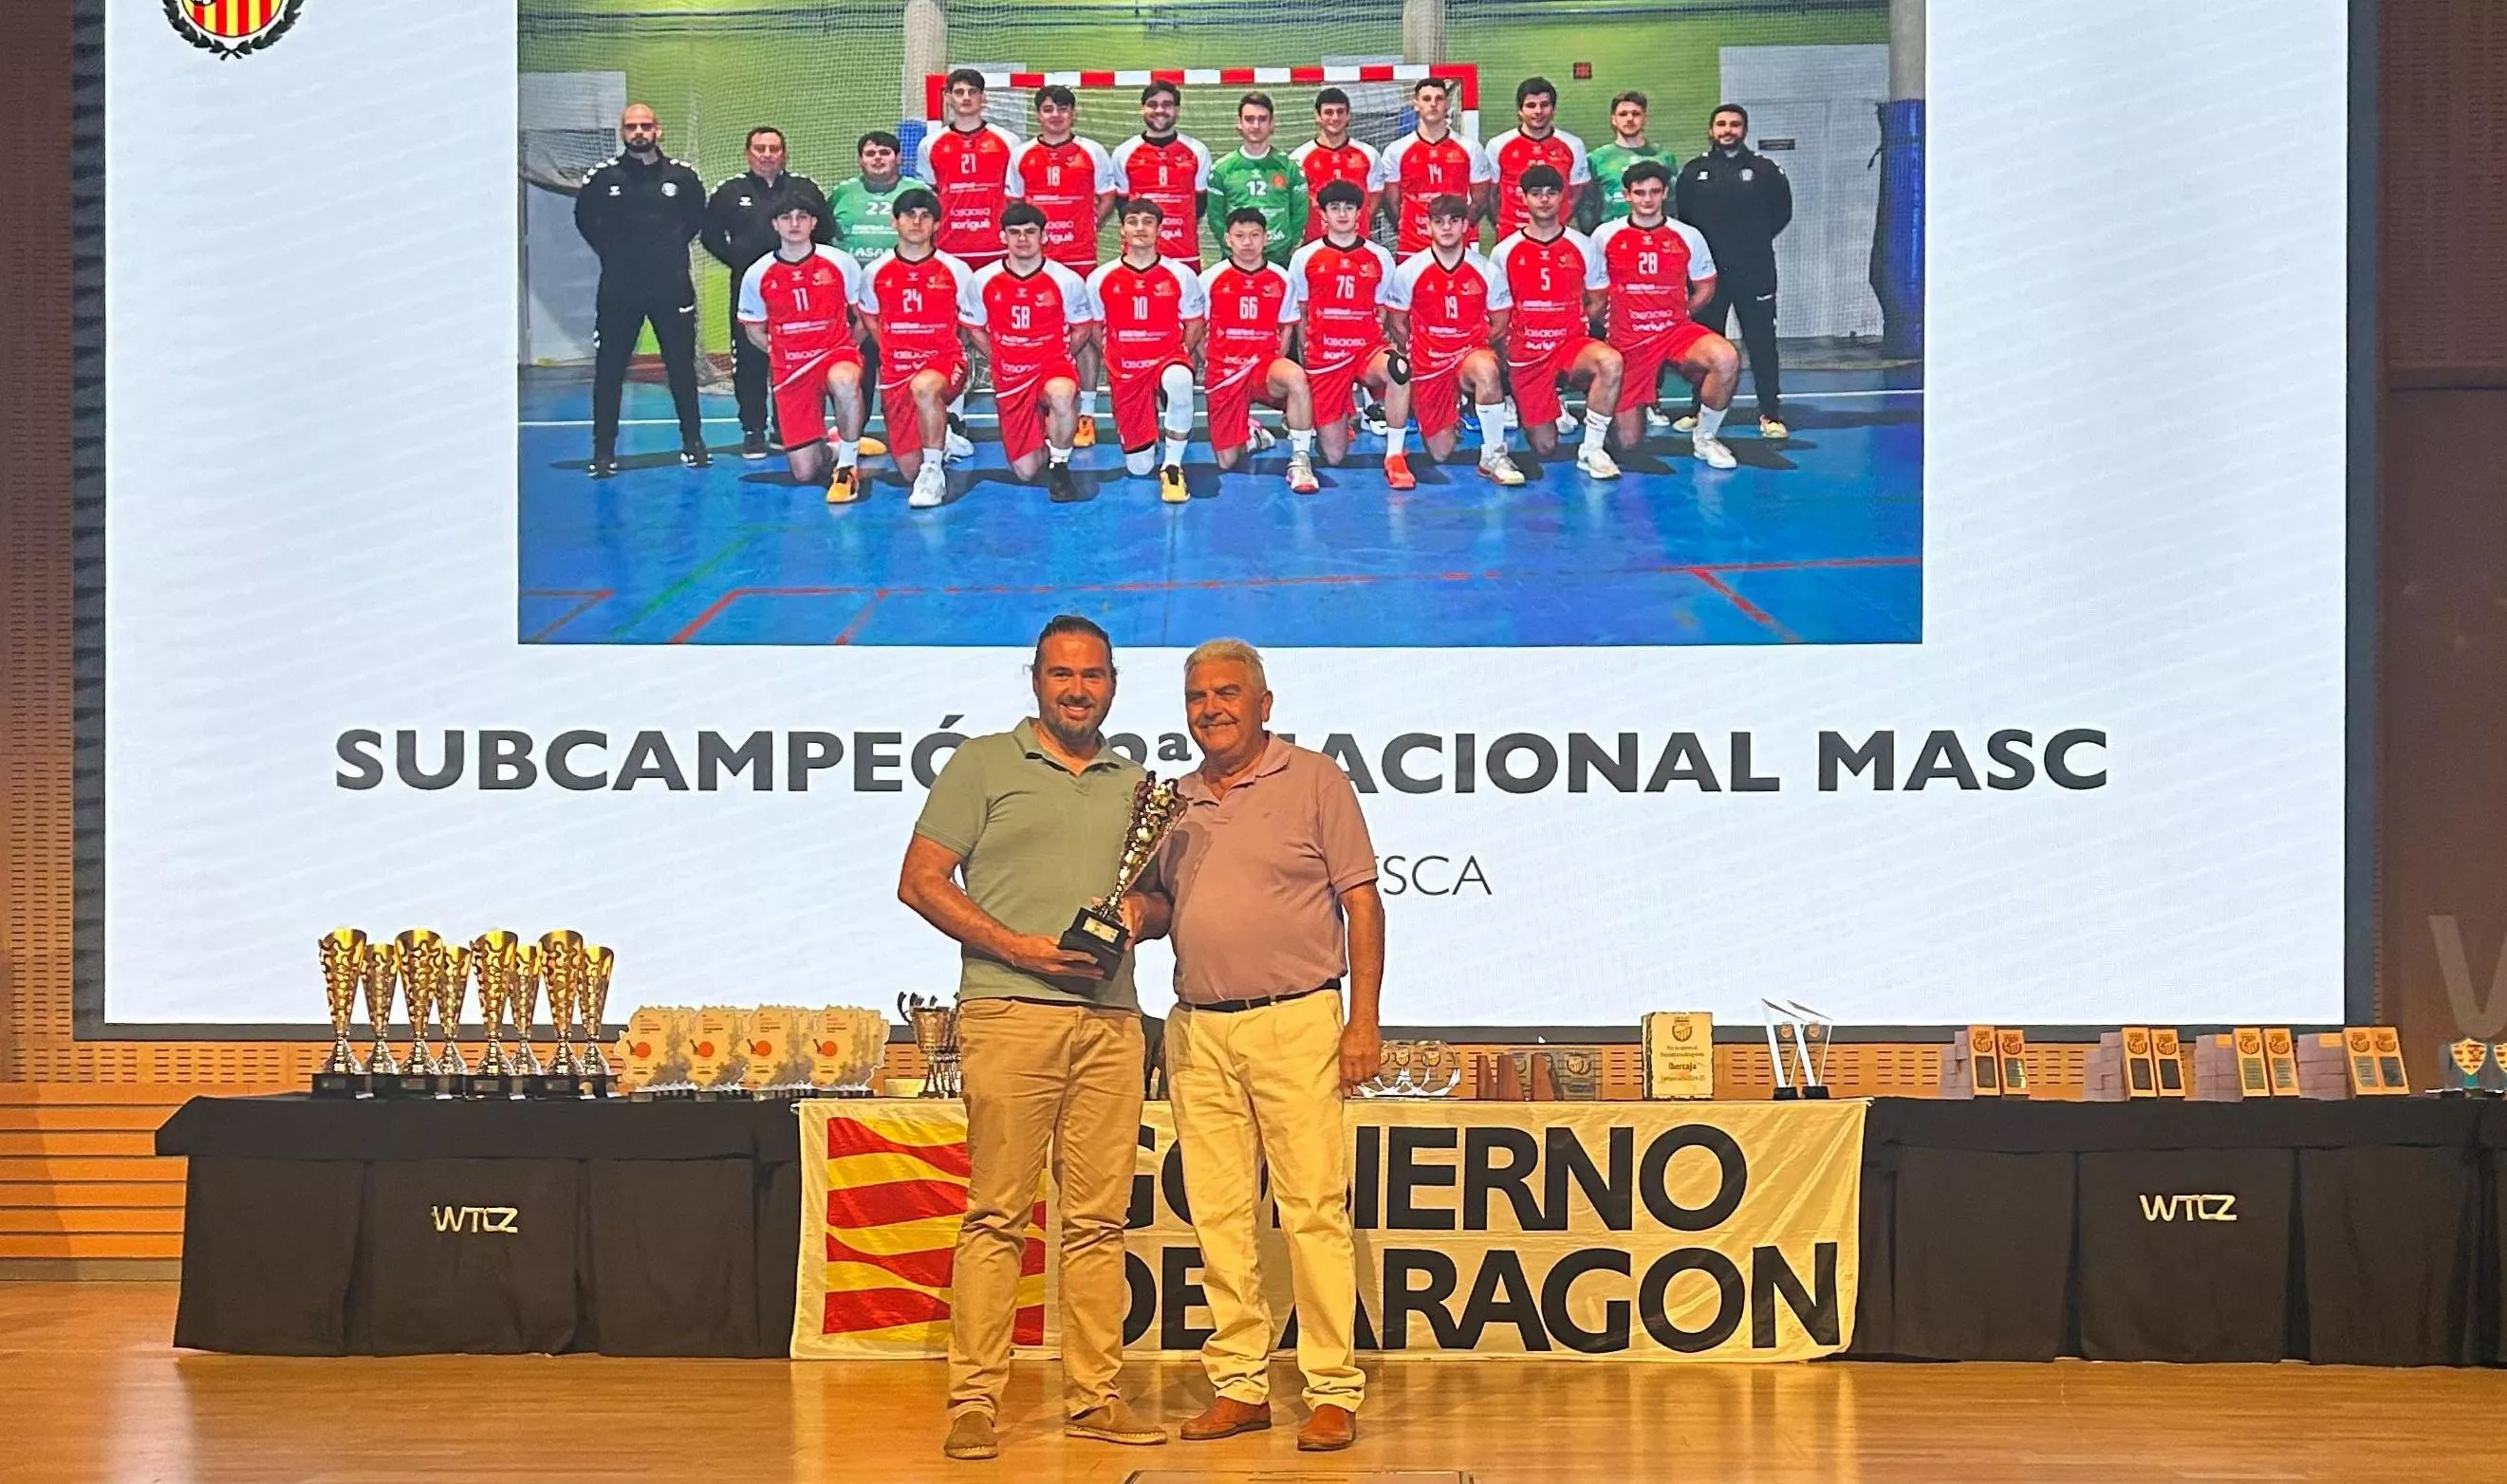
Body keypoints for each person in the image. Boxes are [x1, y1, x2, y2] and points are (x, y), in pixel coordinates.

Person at [899, 615, 1170, 1463]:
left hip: (1112, 1021)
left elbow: (1161, 904)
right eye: (1062, 675)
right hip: (1009, 1012)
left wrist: (1138, 914)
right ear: (1036, 681)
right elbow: (920, 882)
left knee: (1097, 1221)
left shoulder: (1138, 785)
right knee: (997, 1216)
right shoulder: (981, 762)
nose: (1077, 690)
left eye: (1092, 676)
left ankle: (1095, 1397)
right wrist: (1016, 946)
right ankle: (975, 1400)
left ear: (1113, 684)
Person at [1124, 638, 1383, 1456]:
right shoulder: (1173, 799)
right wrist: (1131, 918)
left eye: (1229, 694)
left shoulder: (1315, 780)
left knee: (1311, 1209)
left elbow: (1363, 905)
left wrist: (1364, 1020)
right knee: (1220, 1214)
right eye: (1198, 697)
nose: (1212, 709)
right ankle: (1240, 1383)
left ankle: (1333, 1389)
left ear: (1264, 704)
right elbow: (1160, 904)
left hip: (1298, 1018)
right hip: (1196, 1025)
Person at [574, 103, 709, 478]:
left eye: (645, 125)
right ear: (622, 132)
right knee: (610, 372)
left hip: (672, 287)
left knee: (682, 368)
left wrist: (664, 252)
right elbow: (586, 221)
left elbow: (694, 219)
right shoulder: (603, 178)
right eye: (631, 126)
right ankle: (604, 452)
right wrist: (617, 254)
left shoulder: (683, 178)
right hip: (619, 290)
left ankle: (693, 443)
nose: (639, 132)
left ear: (658, 130)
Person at [1590, 160, 1740, 469]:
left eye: (1654, 192)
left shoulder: (1687, 235)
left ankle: (1706, 438)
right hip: (1627, 340)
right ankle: (1615, 424)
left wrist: (1683, 312)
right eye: (1640, 193)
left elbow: (1705, 285)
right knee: (1628, 444)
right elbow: (1591, 289)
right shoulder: (1605, 236)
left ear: (1665, 194)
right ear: (1627, 195)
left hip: (1675, 333)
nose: (1647, 199)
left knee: (1725, 358)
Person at [704, 126, 835, 461]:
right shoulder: (730, 191)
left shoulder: (804, 189)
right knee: (749, 360)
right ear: (748, 153)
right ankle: (753, 430)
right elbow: (710, 235)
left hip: (798, 291)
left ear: (784, 153)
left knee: (794, 357)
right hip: (750, 291)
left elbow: (827, 231)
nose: (766, 154)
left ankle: (788, 427)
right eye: (759, 148)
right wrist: (740, 264)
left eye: (774, 148)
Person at [1490, 165, 1622, 478]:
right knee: (1545, 446)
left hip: (1570, 345)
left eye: (1551, 193)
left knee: (1610, 362)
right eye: (1536, 194)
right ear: (1523, 198)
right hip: (1528, 353)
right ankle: (1547, 403)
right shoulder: (1504, 252)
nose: (1544, 200)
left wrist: (1573, 327)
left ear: (1562, 197)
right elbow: (1497, 311)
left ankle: (1592, 450)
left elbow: (1598, 299)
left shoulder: (1582, 245)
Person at [734, 198, 868, 501]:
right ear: (775, 225)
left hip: (835, 354)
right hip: (791, 369)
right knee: (804, 473)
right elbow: (753, 328)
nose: (794, 223)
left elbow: (863, 317)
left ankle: (847, 464)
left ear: (813, 223)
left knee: (845, 380)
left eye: (801, 217)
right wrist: (779, 353)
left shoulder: (839, 262)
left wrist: (850, 345)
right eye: (786, 217)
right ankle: (834, 446)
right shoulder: (758, 273)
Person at [1008, 86, 1120, 447]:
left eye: (1063, 109)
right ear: (1039, 114)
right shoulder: (1022, 154)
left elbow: (1107, 197)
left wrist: (1089, 225)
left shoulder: (1092, 152)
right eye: (1048, 109)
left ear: (1073, 114)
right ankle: (1040, 403)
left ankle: (1085, 412)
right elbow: (1014, 204)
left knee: (1084, 331)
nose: (1056, 115)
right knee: (1036, 327)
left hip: (1080, 255)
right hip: (1035, 259)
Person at [1675, 103, 1793, 440]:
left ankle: (1770, 413)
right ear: (1711, 130)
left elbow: (1781, 213)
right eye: (1722, 124)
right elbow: (1684, 218)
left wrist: (1750, 243)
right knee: (1703, 345)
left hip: (1754, 272)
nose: (1728, 130)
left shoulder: (1765, 170)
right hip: (1706, 275)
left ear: (1745, 130)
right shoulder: (1693, 171)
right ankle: (1698, 408)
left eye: (1735, 124)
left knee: (1761, 343)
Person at [856, 188, 980, 509]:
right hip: (897, 371)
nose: (917, 222)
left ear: (937, 225)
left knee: (925, 387)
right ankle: (941, 438)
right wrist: (892, 351)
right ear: (894, 222)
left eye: (925, 217)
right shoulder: (875, 272)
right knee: (907, 467)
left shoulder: (955, 270)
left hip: (943, 364)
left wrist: (955, 352)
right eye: (909, 215)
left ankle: (934, 471)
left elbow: (970, 321)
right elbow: (870, 318)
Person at [1383, 195, 1521, 484]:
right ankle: (1452, 413)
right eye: (1439, 222)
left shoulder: (1486, 270)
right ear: (1428, 227)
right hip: (1429, 362)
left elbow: (1500, 323)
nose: (1446, 228)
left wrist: (1474, 346)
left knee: (1486, 368)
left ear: (1465, 227)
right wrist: (1420, 350)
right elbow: (1397, 322)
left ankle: (1494, 455)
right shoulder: (1410, 270)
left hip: (1467, 356)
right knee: (1440, 452)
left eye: (1454, 221)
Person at [967, 203, 1098, 502]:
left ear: (1044, 237)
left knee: (1062, 393)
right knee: (1025, 471)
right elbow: (975, 328)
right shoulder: (983, 280)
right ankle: (1044, 425)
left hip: (1051, 368)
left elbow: (1081, 329)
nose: (1022, 239)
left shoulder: (1065, 279)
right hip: (1011, 376)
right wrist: (999, 357)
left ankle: (1061, 465)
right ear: (1003, 237)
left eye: (1030, 232)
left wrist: (1059, 356)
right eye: (1015, 233)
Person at [1287, 180, 1413, 487]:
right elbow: (1300, 315)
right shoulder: (1305, 257)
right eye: (1335, 208)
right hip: (1326, 356)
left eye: (1349, 208)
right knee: (1334, 456)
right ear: (1324, 215)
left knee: (1399, 368)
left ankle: (1394, 457)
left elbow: (1382, 311)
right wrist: (1309, 357)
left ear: (1359, 214)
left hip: (1365, 352)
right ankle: (1342, 416)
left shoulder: (1379, 256)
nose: (1342, 214)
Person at [1085, 199, 1206, 503]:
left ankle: (1173, 466)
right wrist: (1114, 357)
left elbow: (1194, 324)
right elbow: (1096, 328)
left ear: (1159, 229)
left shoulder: (1180, 274)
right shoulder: (1101, 278)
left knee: (1179, 380)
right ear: (1122, 229)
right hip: (1126, 369)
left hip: (1166, 358)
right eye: (1133, 221)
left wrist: (1178, 354)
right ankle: (1147, 425)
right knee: (1139, 468)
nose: (1141, 228)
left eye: (1148, 222)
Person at [1199, 210, 1319, 492]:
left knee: (1296, 378)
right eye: (1240, 236)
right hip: (1225, 370)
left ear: (1265, 238)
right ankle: (1252, 435)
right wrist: (1213, 365)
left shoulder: (1281, 277)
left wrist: (1272, 360)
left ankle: (1301, 461)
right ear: (1228, 239)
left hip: (1263, 366)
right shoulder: (1210, 279)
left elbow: (1286, 330)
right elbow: (1199, 330)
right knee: (1227, 461)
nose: (1247, 243)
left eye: (1254, 236)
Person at [915, 68, 1021, 271]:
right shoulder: (930, 144)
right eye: (959, 92)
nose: (966, 98)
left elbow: (1017, 194)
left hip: (998, 247)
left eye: (972, 92)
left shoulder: (1008, 141)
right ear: (948, 97)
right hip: (948, 246)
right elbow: (930, 195)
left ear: (983, 97)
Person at [1372, 78, 1493, 257]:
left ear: (1446, 105)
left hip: (1456, 250)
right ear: (1416, 104)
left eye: (1439, 99)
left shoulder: (1470, 148)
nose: (1433, 104)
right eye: (1427, 99)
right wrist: (1408, 230)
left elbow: (1480, 200)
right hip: (1412, 249)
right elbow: (1391, 202)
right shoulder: (1396, 151)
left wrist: (1457, 230)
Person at [1109, 81, 1214, 266]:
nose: (1160, 110)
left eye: (1167, 105)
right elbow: (1123, 205)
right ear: (1142, 109)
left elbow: (1200, 202)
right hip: (1138, 255)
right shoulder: (1124, 152)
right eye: (1152, 105)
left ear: (1177, 110)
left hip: (1184, 253)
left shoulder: (1197, 150)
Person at [1482, 76, 1591, 241]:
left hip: (1555, 237)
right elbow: (1491, 195)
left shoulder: (1573, 145)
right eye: (1531, 105)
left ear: (1553, 110)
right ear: (1520, 111)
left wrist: (1554, 222)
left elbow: (1576, 194)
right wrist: (1502, 225)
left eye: (1544, 105)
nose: (1538, 111)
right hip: (1510, 236)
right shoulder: (1497, 145)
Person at [1208, 93, 1309, 267]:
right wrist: (1235, 248)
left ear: (1272, 124)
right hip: (1235, 262)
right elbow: (1216, 218)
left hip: (1279, 260)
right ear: (1239, 123)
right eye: (1249, 119)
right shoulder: (1222, 169)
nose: (1256, 125)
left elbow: (1299, 214)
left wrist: (1285, 245)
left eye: (1262, 119)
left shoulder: (1290, 167)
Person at [1288, 88, 1381, 245]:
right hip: (1316, 245)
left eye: (1340, 112)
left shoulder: (1369, 154)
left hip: (1359, 243)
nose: (1335, 117)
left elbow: (1375, 198)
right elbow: (1294, 204)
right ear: (1317, 116)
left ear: (1348, 115)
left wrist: (1354, 225)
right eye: (1328, 112)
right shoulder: (1299, 157)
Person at [1583, 89, 1669, 228]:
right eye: (1623, 114)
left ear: (1645, 118)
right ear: (1613, 120)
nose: (1629, 119)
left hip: (1656, 237)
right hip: (1612, 237)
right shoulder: (1596, 159)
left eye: (1636, 114)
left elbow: (1672, 202)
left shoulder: (1664, 157)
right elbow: (1586, 205)